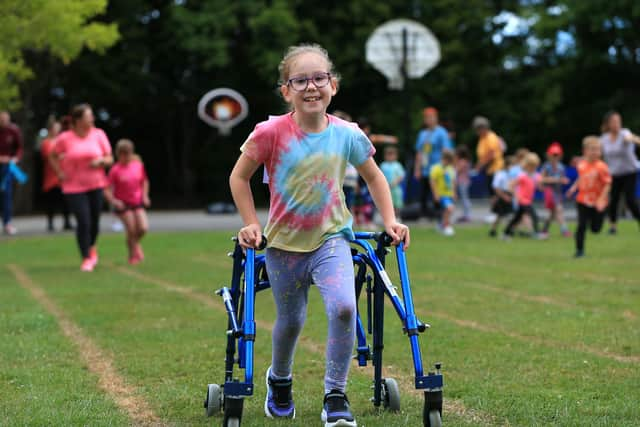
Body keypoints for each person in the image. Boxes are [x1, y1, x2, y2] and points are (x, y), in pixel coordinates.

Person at [229, 44, 409, 427]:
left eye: (319, 78)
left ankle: (335, 394)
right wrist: (250, 222)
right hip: (283, 244)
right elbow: (238, 177)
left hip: (332, 239)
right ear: (286, 91)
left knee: (344, 308)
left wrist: (390, 219)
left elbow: (374, 176)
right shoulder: (270, 132)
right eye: (300, 80)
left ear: (333, 85)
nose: (311, 87)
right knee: (290, 320)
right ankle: (279, 381)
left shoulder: (348, 134)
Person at [50, 104, 113, 271]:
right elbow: (53, 155)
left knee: (95, 222)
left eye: (92, 116)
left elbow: (109, 158)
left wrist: (101, 161)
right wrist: (59, 172)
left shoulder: (98, 135)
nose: (92, 119)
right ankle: (86, 257)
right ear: (78, 120)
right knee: (83, 221)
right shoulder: (65, 138)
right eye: (88, 116)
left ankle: (91, 247)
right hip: (73, 186)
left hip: (96, 184)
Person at [104, 139, 150, 265]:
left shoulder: (138, 166)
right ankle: (133, 255)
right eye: (123, 154)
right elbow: (106, 189)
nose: (126, 157)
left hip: (137, 201)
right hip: (123, 204)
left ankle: (135, 245)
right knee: (131, 229)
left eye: (128, 153)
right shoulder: (115, 170)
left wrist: (145, 196)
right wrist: (114, 201)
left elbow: (145, 181)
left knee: (143, 228)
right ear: (119, 154)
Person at [566, 136, 612, 258]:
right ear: (585, 151)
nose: (595, 152)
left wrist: (602, 199)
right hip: (582, 200)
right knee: (581, 225)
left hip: (598, 203)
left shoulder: (602, 167)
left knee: (595, 229)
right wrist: (573, 188)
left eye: (598, 150)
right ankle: (579, 251)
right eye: (592, 149)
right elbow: (581, 178)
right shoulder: (581, 165)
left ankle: (594, 224)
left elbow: (608, 184)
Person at [599, 111, 640, 234]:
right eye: (613, 122)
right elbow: (596, 152)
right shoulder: (603, 139)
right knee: (613, 200)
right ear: (608, 124)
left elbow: (632, 138)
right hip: (613, 174)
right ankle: (613, 227)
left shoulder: (624, 133)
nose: (616, 124)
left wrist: (634, 139)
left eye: (618, 121)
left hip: (629, 171)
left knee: (630, 200)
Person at [414, 107, 452, 219]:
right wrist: (417, 168)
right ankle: (424, 215)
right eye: (427, 117)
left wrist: (445, 167)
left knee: (437, 193)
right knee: (423, 194)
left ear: (436, 118)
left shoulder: (441, 132)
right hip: (426, 169)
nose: (429, 119)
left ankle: (440, 216)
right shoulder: (423, 134)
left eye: (431, 117)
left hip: (437, 169)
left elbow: (446, 150)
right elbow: (419, 152)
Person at [40, 118, 73, 232]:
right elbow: (49, 156)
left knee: (66, 200)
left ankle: (67, 222)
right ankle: (50, 223)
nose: (58, 130)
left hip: (63, 176)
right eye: (55, 128)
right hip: (51, 176)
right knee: (51, 201)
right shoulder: (46, 142)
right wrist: (60, 157)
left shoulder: (61, 141)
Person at [503, 152, 544, 239]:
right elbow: (511, 185)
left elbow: (540, 184)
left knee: (516, 218)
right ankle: (537, 233)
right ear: (527, 165)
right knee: (534, 216)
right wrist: (516, 195)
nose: (534, 168)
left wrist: (542, 185)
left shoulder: (535, 176)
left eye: (535, 166)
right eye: (532, 166)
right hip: (523, 201)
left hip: (527, 200)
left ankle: (506, 233)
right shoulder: (522, 176)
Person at [0, 110, 24, 235]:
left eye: (5, 119)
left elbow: (19, 148)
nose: (3, 121)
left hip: (8, 167)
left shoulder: (14, 130)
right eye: (1, 119)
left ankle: (7, 223)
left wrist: (15, 158)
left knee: (7, 195)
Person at [540, 142, 570, 237]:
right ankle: (564, 230)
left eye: (557, 155)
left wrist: (563, 180)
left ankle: (544, 229)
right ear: (549, 155)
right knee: (558, 210)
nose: (555, 157)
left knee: (552, 213)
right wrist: (557, 179)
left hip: (557, 192)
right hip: (549, 191)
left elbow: (562, 178)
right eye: (553, 155)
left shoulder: (561, 167)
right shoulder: (546, 166)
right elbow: (542, 179)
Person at [472, 116, 504, 198]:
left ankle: (499, 209)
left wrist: (480, 166)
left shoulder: (490, 137)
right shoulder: (483, 138)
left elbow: (491, 154)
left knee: (495, 193)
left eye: (477, 130)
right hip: (489, 170)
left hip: (495, 169)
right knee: (492, 193)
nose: (477, 132)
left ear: (482, 128)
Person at [430, 149, 457, 236]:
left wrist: (454, 192)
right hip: (442, 194)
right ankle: (446, 226)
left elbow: (453, 181)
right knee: (449, 208)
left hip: (449, 194)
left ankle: (442, 225)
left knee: (447, 210)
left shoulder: (450, 169)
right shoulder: (436, 168)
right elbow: (433, 181)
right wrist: (435, 194)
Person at [489, 156, 515, 237]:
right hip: (502, 195)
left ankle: (508, 230)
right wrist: (504, 196)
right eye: (512, 165)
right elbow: (496, 187)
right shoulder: (500, 174)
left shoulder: (512, 174)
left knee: (510, 215)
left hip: (509, 194)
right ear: (507, 165)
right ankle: (494, 230)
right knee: (500, 215)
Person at [380, 145, 406, 219]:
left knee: (397, 204)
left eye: (392, 154)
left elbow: (401, 176)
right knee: (387, 203)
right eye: (388, 154)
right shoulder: (383, 165)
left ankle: (397, 217)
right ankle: (388, 218)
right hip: (386, 189)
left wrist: (395, 182)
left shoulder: (397, 165)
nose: (390, 156)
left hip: (396, 189)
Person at [455, 144, 473, 223]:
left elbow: (457, 171)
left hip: (462, 182)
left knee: (464, 199)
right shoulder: (467, 161)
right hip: (464, 181)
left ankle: (467, 215)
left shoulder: (462, 162)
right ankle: (465, 214)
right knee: (463, 199)